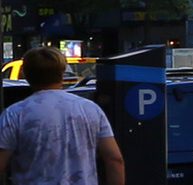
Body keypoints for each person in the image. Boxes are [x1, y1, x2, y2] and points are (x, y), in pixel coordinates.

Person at [0, 49, 124, 185]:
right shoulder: (90, 109)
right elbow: (114, 159)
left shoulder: (15, 114)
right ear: (62, 72)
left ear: (26, 73)